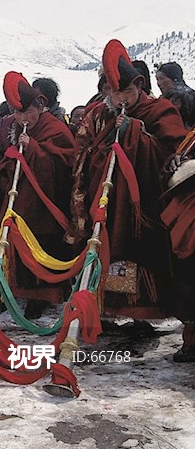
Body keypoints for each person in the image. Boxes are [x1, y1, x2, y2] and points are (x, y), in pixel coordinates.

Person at [67, 40, 188, 322]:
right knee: (106, 246)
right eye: (116, 92)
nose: (122, 98)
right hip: (107, 195)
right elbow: (86, 150)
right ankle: (108, 309)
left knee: (138, 253)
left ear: (140, 87)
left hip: (143, 203)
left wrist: (135, 133)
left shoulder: (160, 111)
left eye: (128, 91)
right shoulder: (100, 114)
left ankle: (142, 313)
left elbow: (173, 152)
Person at [0, 71, 78, 319]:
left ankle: (42, 296)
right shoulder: (11, 127)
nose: (23, 118)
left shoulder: (54, 127)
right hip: (17, 197)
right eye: (18, 113)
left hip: (43, 202)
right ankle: (12, 291)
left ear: (40, 106)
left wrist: (33, 149)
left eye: (27, 113)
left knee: (42, 245)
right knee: (12, 243)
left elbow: (64, 161)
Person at [160, 129, 195, 362]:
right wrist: (175, 162)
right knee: (188, 281)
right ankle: (191, 343)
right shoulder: (192, 136)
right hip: (189, 211)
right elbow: (175, 164)